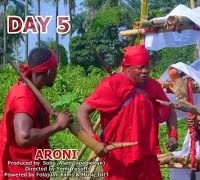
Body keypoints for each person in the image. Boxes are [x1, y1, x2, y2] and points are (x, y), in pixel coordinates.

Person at [77, 45, 179, 180]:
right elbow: (82, 111)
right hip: (118, 159)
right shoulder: (112, 85)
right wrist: (95, 142)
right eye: (140, 68)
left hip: (147, 158)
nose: (145, 71)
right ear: (128, 68)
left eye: (147, 67)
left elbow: (170, 110)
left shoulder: (153, 86)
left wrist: (173, 135)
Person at [0, 47, 73, 179]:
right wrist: (57, 126)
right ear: (49, 71)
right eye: (56, 70)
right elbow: (24, 137)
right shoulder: (24, 97)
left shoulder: (31, 89)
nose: (56, 74)